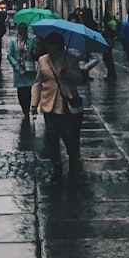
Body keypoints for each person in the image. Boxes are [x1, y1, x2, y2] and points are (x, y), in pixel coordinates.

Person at [30, 32, 85, 179]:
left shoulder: (70, 59)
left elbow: (80, 79)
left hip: (66, 102)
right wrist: (34, 104)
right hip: (48, 103)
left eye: (52, 44)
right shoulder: (43, 60)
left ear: (59, 45)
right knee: (52, 136)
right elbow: (38, 83)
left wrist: (68, 73)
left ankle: (72, 156)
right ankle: (57, 165)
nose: (49, 47)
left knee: (68, 135)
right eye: (47, 44)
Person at [7, 22, 37, 116]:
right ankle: (23, 106)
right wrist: (15, 65)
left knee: (28, 91)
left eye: (25, 29)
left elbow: (35, 53)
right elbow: (9, 55)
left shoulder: (31, 41)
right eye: (21, 29)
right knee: (20, 92)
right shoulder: (13, 42)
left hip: (28, 69)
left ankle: (27, 109)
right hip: (18, 70)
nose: (23, 31)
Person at [99, 11, 118, 80]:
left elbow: (110, 33)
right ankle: (110, 73)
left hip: (108, 43)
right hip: (108, 42)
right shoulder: (111, 23)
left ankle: (111, 74)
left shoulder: (110, 24)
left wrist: (103, 33)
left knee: (108, 58)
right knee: (107, 58)